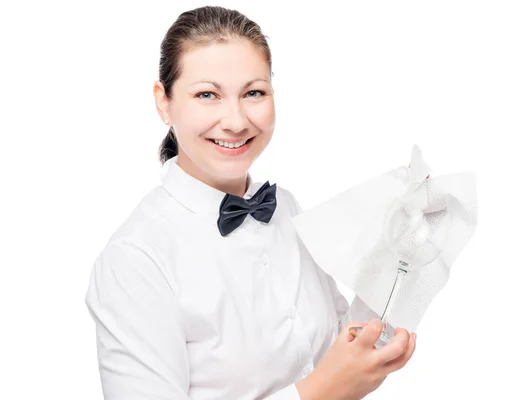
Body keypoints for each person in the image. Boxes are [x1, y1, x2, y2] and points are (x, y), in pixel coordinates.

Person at [84, 5, 417, 400]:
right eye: (207, 94)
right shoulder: (134, 260)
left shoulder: (286, 208)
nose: (236, 120)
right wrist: (319, 393)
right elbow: (326, 384)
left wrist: (401, 254)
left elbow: (337, 346)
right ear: (164, 101)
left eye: (253, 92)